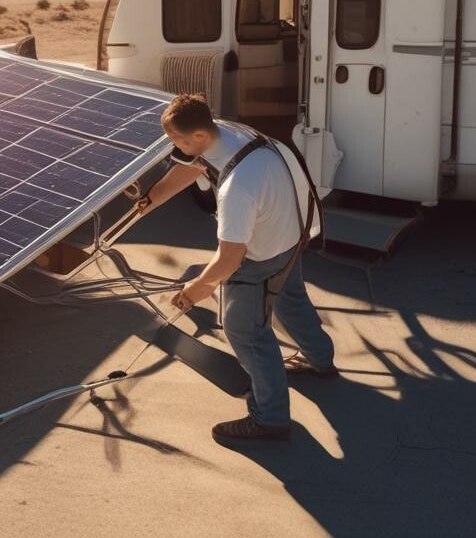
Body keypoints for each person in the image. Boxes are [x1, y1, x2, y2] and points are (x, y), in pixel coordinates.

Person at [134, 94, 336, 444]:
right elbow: (190, 167)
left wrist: (195, 290)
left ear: (198, 136)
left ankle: (269, 418)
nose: (175, 148)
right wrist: (152, 199)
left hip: (261, 255)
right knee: (289, 299)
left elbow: (228, 261)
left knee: (246, 332)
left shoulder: (236, 189)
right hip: (293, 230)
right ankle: (321, 360)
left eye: (177, 141)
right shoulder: (227, 132)